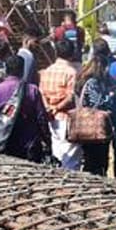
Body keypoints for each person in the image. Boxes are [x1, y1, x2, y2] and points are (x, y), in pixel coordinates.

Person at [0, 55, 47, 162]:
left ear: (6, 69)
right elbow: (41, 118)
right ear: (23, 70)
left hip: (5, 144)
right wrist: (47, 140)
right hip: (29, 144)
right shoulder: (32, 90)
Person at [41, 37, 82, 170]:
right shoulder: (72, 73)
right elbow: (71, 97)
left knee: (57, 151)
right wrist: (57, 107)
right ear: (72, 53)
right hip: (66, 117)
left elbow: (41, 93)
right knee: (70, 157)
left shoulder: (47, 71)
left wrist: (49, 108)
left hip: (51, 117)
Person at [75, 53, 116, 176]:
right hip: (94, 126)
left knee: (90, 159)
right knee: (97, 161)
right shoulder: (93, 82)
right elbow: (96, 102)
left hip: (87, 126)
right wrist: (111, 97)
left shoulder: (83, 80)